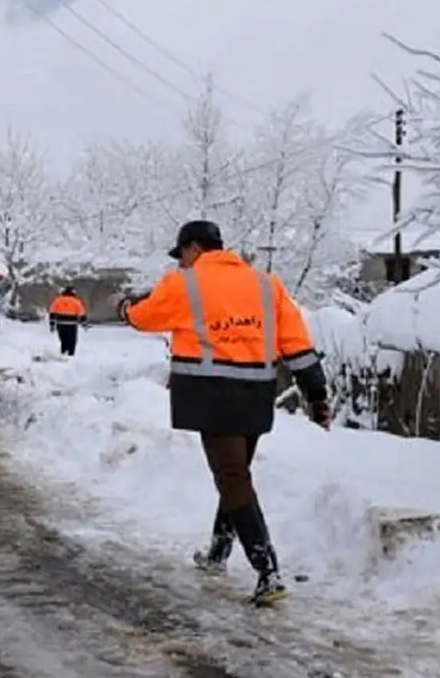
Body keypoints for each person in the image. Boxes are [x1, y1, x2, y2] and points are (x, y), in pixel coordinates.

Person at [112, 220, 331, 607]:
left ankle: (268, 573)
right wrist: (317, 394)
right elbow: (296, 343)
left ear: (194, 248)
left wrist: (125, 308)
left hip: (212, 396)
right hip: (256, 397)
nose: (181, 263)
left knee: (232, 479)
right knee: (236, 474)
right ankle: (217, 553)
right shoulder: (268, 284)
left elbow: (145, 317)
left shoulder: (185, 284)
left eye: (182, 255)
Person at [47, 286, 88, 357]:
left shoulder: (58, 300)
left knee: (63, 340)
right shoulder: (76, 301)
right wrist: (84, 324)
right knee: (72, 341)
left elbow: (52, 312)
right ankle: (70, 355)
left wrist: (52, 324)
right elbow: (82, 313)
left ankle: (63, 353)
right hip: (72, 324)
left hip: (60, 323)